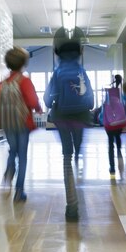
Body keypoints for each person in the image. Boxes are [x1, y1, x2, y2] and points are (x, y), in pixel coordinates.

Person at [44, 29, 94, 221]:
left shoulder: (57, 73)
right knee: (77, 148)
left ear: (58, 53)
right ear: (79, 53)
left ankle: (71, 206)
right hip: (81, 118)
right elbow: (90, 102)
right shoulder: (82, 72)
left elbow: (48, 101)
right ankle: (78, 154)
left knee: (66, 156)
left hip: (62, 118)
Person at [0, 47, 41, 202]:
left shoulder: (1, 85)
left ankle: (9, 171)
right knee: (22, 156)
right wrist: (38, 109)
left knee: (13, 150)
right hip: (23, 124)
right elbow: (32, 101)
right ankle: (19, 191)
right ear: (24, 64)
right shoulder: (25, 81)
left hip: (8, 124)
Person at [104, 74, 124, 173]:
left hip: (109, 122)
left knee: (110, 143)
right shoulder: (121, 93)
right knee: (118, 137)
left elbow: (105, 105)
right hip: (119, 121)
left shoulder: (108, 92)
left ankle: (112, 167)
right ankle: (119, 150)